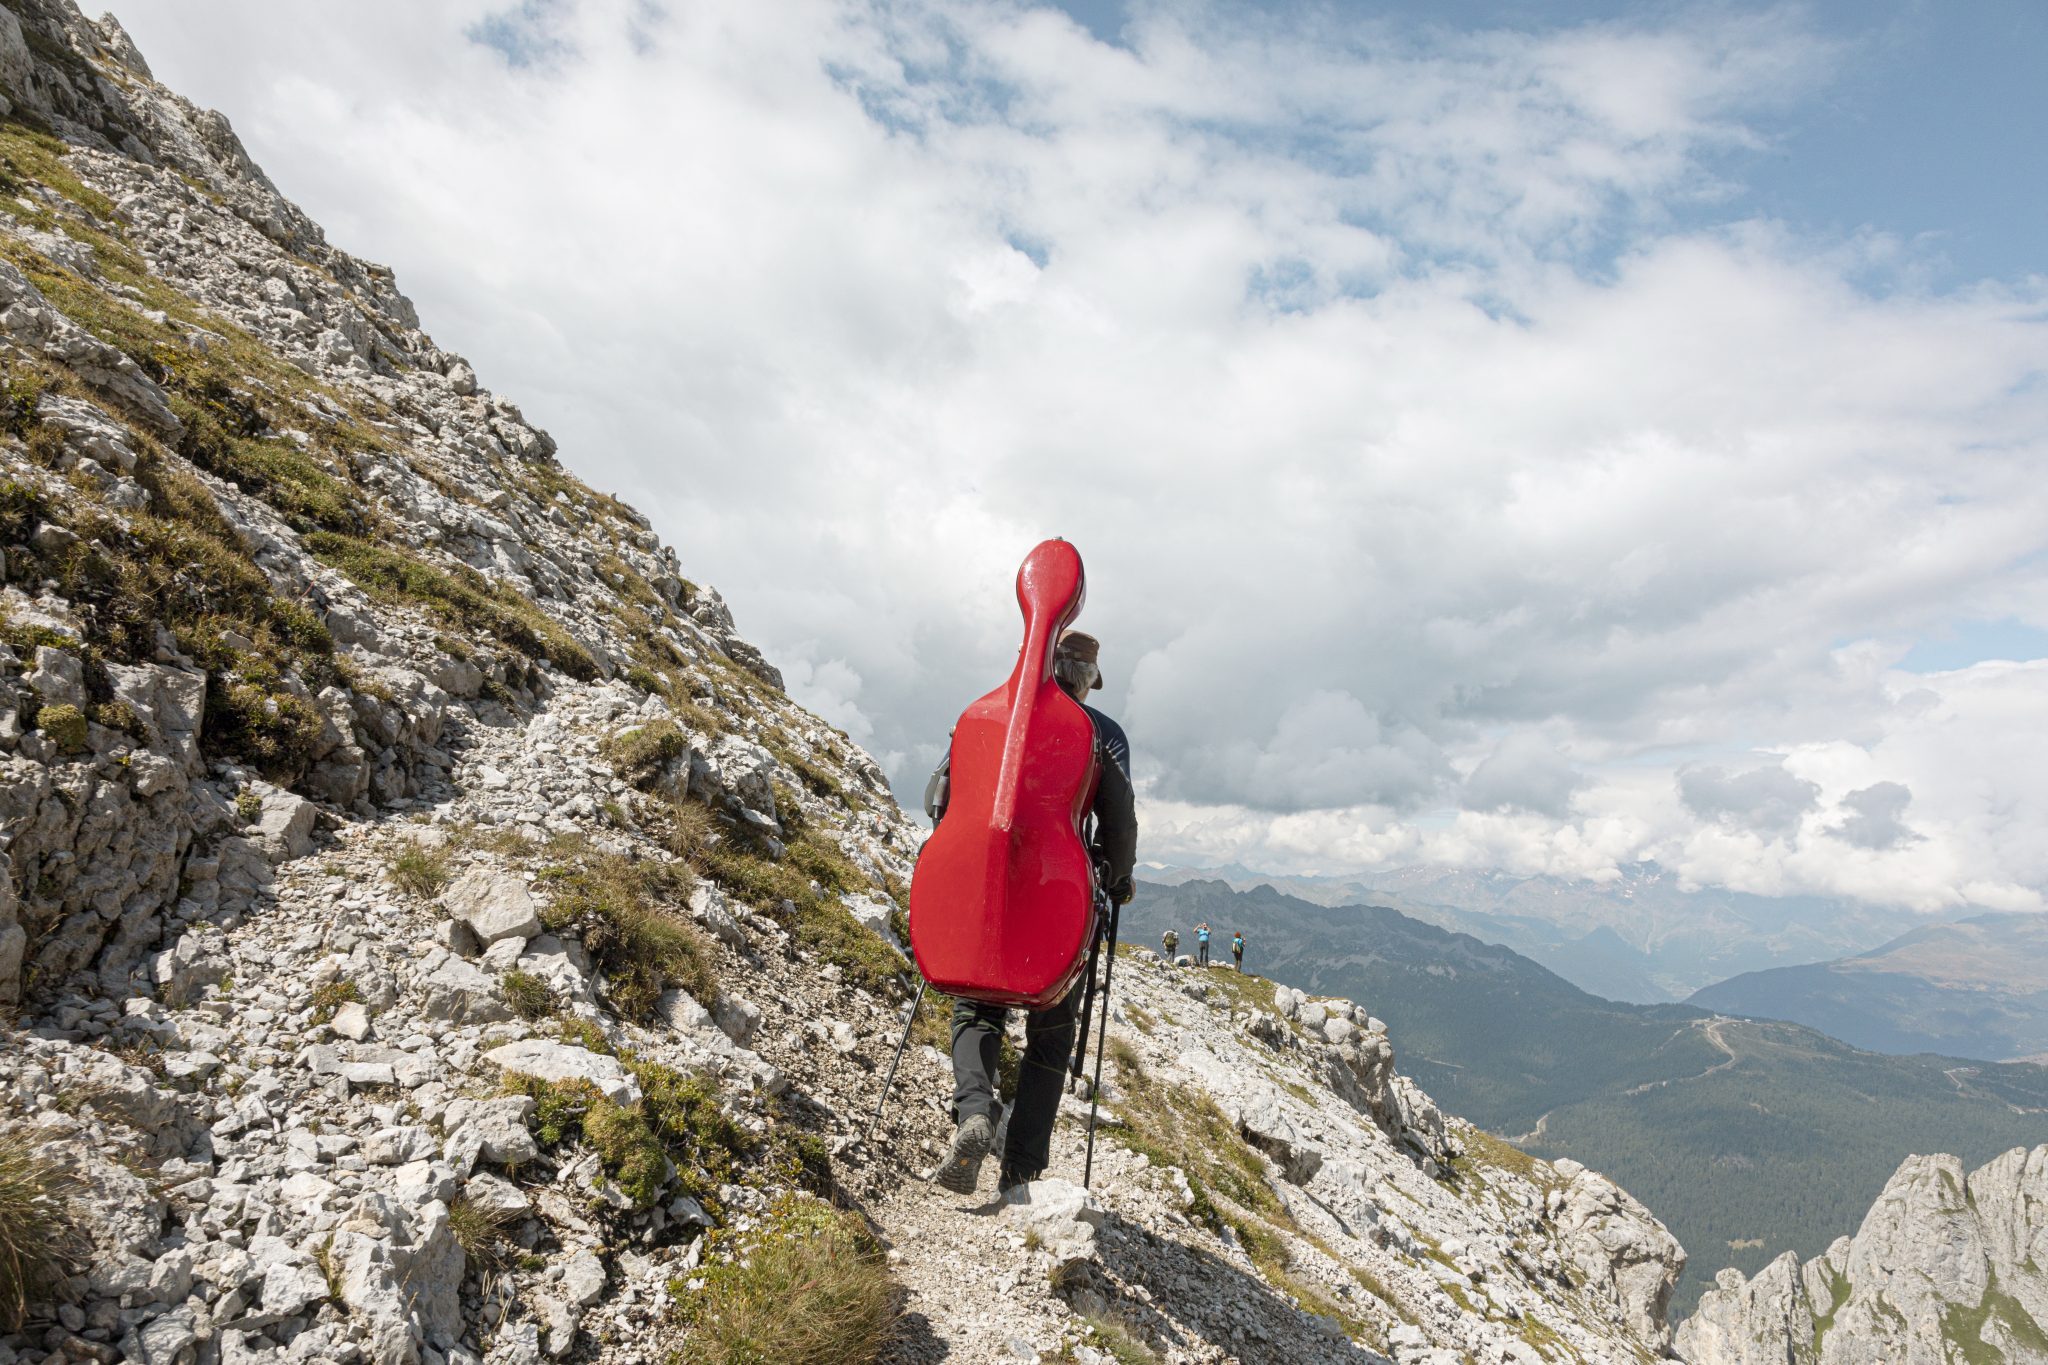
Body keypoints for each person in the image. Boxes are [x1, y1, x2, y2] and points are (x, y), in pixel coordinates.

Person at [927, 629, 1138, 1196]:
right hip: (1060, 894)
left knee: (977, 1003)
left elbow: (940, 796)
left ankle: (975, 1111)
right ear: (1088, 682)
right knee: (1052, 1030)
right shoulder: (1103, 733)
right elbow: (1118, 820)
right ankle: (1020, 1170)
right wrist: (1118, 879)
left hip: (991, 882)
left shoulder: (992, 713)